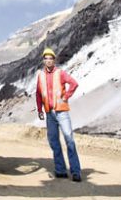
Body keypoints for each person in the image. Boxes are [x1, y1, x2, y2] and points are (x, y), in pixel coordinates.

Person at [35, 47, 81, 181]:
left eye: (50, 58)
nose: (48, 61)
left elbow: (74, 84)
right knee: (54, 142)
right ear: (43, 60)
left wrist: (66, 96)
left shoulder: (60, 73)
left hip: (61, 111)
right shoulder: (41, 75)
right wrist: (39, 109)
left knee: (69, 140)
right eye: (46, 58)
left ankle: (76, 171)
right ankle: (60, 170)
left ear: (54, 60)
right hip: (49, 113)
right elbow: (38, 94)